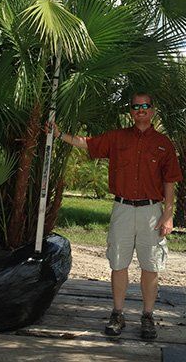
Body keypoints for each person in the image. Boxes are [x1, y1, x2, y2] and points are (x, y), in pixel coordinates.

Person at [52, 92, 183, 340]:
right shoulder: (117, 137)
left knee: (151, 265)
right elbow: (87, 143)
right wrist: (59, 135)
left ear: (153, 110)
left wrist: (168, 215)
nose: (140, 110)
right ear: (131, 112)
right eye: (136, 107)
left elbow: (170, 182)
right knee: (118, 263)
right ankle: (118, 314)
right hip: (122, 209)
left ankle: (147, 316)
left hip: (152, 212)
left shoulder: (164, 143)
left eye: (145, 106)